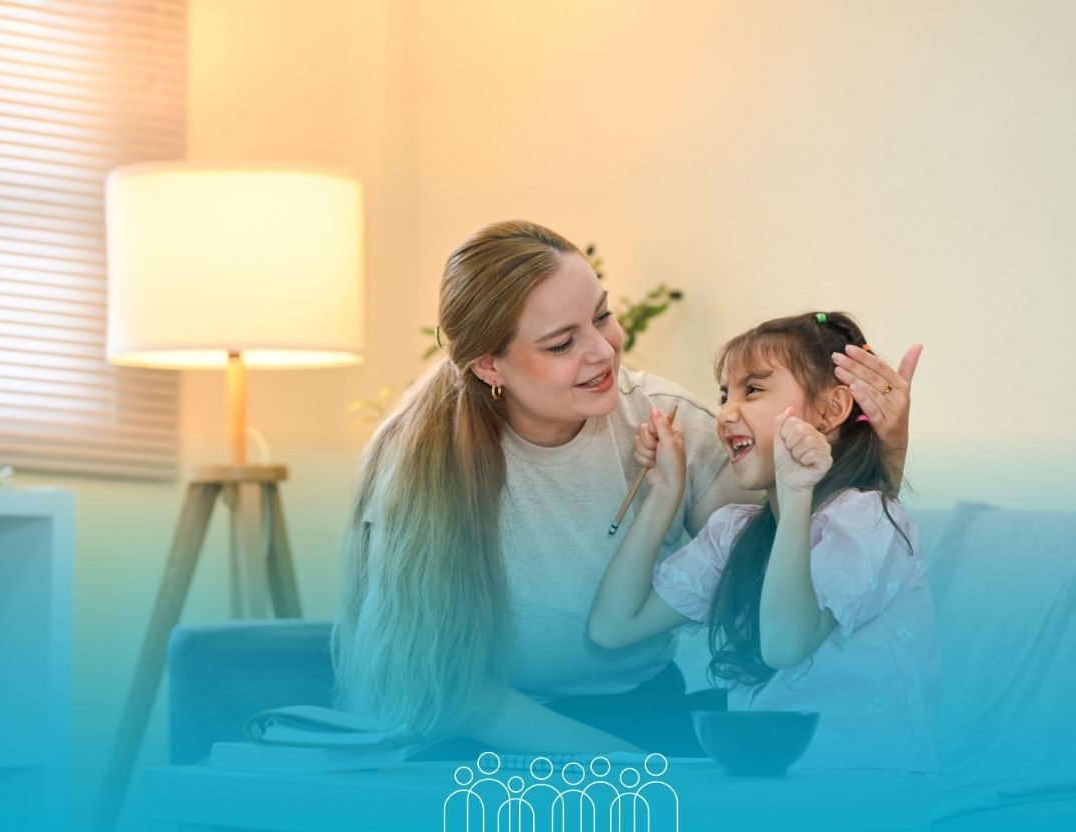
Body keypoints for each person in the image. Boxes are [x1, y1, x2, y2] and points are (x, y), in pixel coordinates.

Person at [332, 221, 919, 756]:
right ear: (490, 366)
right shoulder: (415, 462)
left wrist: (882, 448)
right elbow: (450, 691)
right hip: (480, 729)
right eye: (561, 344)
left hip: (641, 713)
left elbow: (794, 551)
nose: (601, 351)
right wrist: (621, 767)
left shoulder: (664, 419)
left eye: (602, 316)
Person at [588, 312, 938, 772]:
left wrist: (795, 495)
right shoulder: (734, 532)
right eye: (724, 395)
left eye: (752, 390)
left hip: (868, 796)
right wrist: (664, 492)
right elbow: (613, 628)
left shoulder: (866, 518)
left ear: (831, 410)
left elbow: (785, 646)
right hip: (774, 790)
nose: (726, 413)